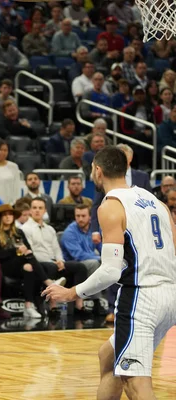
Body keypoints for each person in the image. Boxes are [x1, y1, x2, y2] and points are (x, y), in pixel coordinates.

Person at [43, 146, 176, 400]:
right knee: (109, 356)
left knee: (136, 384)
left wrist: (71, 293)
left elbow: (110, 272)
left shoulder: (111, 206)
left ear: (98, 171)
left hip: (141, 299)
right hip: (170, 296)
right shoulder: (157, 202)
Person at [0, 204, 66, 319]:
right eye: (5, 215)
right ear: (0, 217)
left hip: (20, 263)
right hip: (3, 266)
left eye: (10, 214)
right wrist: (15, 251)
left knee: (29, 265)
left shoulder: (18, 232)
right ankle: (49, 283)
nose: (8, 217)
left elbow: (29, 249)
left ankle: (28, 306)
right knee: (28, 257)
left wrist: (23, 251)